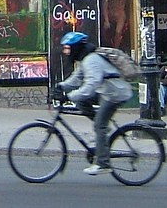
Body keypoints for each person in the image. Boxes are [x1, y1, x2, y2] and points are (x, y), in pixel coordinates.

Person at [53, 31, 133, 175]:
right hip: (106, 91)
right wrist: (61, 86)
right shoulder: (85, 59)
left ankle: (103, 163)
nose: (66, 52)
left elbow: (91, 86)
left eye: (67, 48)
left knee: (99, 125)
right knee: (82, 103)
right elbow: (76, 79)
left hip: (115, 94)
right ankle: (101, 129)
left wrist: (69, 97)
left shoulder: (91, 60)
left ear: (75, 47)